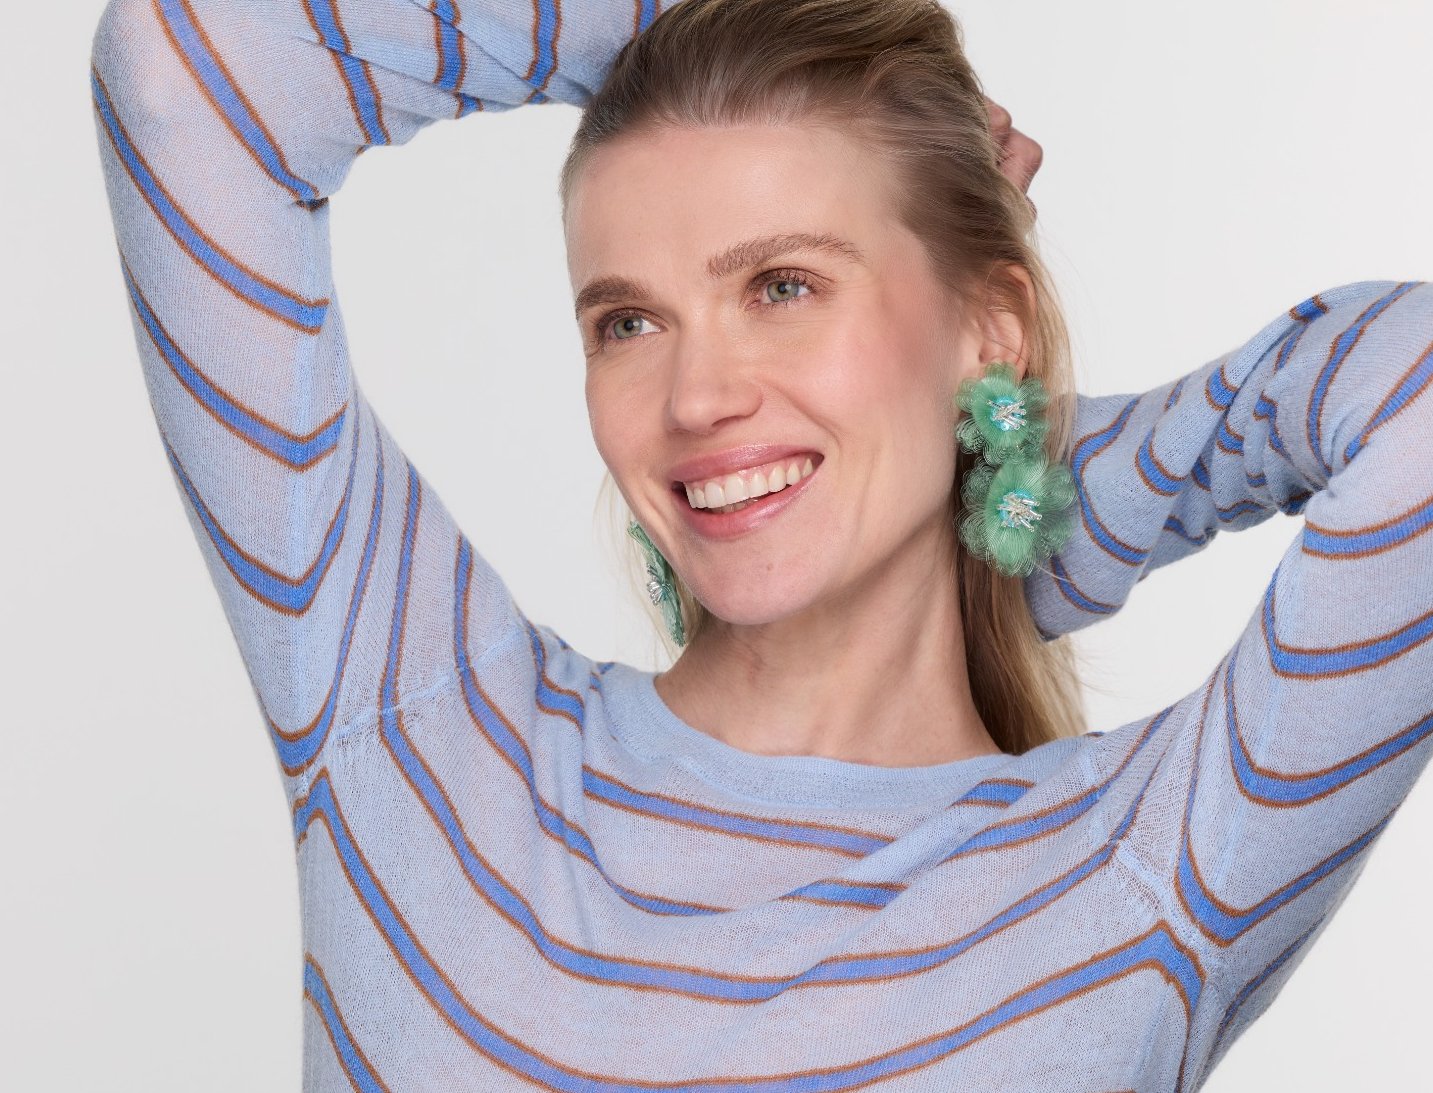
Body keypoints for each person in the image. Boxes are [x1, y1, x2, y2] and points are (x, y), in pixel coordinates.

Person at [88, 0, 1432, 1088]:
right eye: (628, 321)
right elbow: (187, 68)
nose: (693, 398)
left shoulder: (1142, 876)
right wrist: (732, 18)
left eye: (781, 285)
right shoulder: (416, 730)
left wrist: (1017, 491)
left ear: (990, 327)